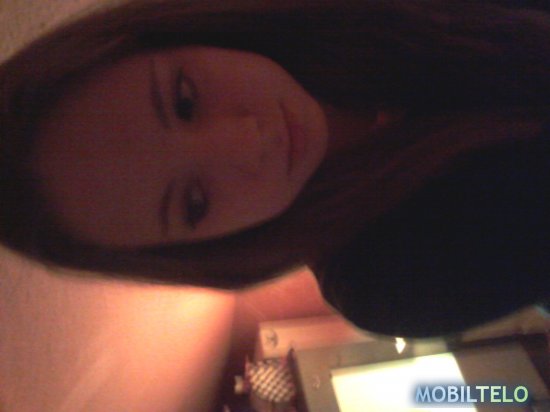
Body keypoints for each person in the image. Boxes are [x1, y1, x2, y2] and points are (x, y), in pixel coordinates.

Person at [1, 0, 549, 337]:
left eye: (186, 101)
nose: (246, 142)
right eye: (195, 203)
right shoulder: (388, 280)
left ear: (176, 35)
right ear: (205, 248)